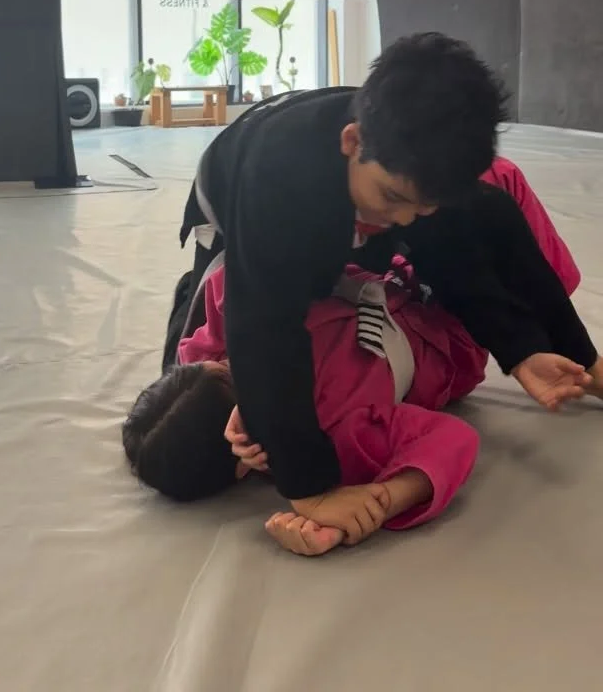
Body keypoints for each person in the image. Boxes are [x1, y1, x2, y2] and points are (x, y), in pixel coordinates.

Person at [163, 33, 601, 541]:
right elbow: (263, 328)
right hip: (237, 203)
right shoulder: (279, 184)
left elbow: (463, 259)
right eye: (394, 198)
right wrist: (310, 489)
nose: (406, 217)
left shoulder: (407, 175)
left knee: (476, 216)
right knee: (193, 380)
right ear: (353, 142)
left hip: (348, 204)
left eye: (421, 206)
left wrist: (540, 352)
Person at [125, 262, 489, 555]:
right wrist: (378, 503)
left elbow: (239, 271)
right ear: (245, 457)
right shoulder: (339, 436)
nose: (247, 365)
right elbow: (453, 439)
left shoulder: (228, 332)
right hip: (448, 325)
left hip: (386, 261)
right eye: (240, 381)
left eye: (227, 364)